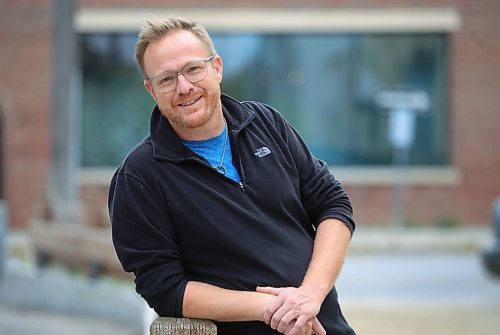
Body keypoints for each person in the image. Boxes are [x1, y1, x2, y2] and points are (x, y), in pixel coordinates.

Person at [108, 16, 356, 335]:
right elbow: (166, 289)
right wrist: (275, 309)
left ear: (217, 68)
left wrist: (311, 294)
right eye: (166, 79)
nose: (184, 87)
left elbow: (333, 205)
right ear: (151, 90)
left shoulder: (267, 124)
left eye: (193, 69)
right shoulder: (138, 178)